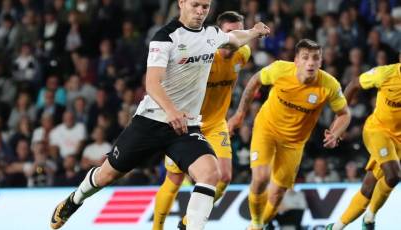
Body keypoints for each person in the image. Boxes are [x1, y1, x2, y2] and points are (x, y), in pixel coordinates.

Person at [50, 0, 270, 229]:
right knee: (106, 176)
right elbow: (152, 83)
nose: (200, 11)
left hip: (186, 127)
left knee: (211, 174)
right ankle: (74, 200)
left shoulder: (211, 34)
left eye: (205, 6)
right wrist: (172, 111)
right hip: (151, 121)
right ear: (181, 3)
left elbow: (234, 39)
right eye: (195, 5)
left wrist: (254, 32)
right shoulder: (165, 37)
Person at [228, 39, 351, 230]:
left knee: (277, 195)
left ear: (321, 62)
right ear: (296, 60)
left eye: (315, 58)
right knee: (260, 178)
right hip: (267, 129)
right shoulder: (279, 70)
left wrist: (336, 133)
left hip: (294, 143)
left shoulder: (329, 85)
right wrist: (239, 114)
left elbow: (344, 114)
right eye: (305, 57)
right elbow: (255, 81)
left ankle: (257, 226)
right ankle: (257, 223)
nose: (310, 62)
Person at [152, 11, 251, 230]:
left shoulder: (243, 53)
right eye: (229, 33)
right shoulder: (202, 55)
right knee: (174, 179)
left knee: (224, 177)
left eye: (239, 33)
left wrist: (236, 113)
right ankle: (156, 227)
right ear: (218, 33)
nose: (234, 39)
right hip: (189, 124)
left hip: (216, 124)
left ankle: (188, 222)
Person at [326, 53, 401, 230]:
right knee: (394, 174)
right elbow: (353, 85)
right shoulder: (385, 74)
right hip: (377, 131)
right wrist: (340, 120)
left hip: (398, 141)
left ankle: (336, 227)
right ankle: (370, 218)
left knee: (368, 188)